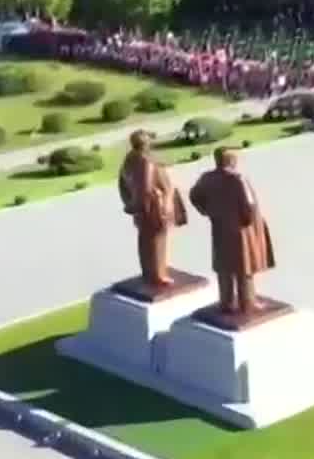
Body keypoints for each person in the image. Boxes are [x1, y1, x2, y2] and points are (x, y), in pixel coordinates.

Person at [187, 147, 277, 318]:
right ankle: (248, 302)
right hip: (241, 230)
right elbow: (249, 204)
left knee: (224, 266)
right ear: (230, 160)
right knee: (244, 268)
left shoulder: (207, 178)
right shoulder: (238, 179)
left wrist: (207, 211)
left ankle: (226, 302)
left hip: (220, 227)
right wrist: (248, 222)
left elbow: (194, 195)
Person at [117, 129, 188, 287]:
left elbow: (122, 184)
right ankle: (158, 274)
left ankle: (149, 273)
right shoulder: (145, 161)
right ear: (146, 143)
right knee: (157, 241)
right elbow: (147, 188)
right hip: (155, 207)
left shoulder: (129, 159)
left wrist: (130, 203)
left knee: (145, 241)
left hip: (141, 207)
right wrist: (161, 204)